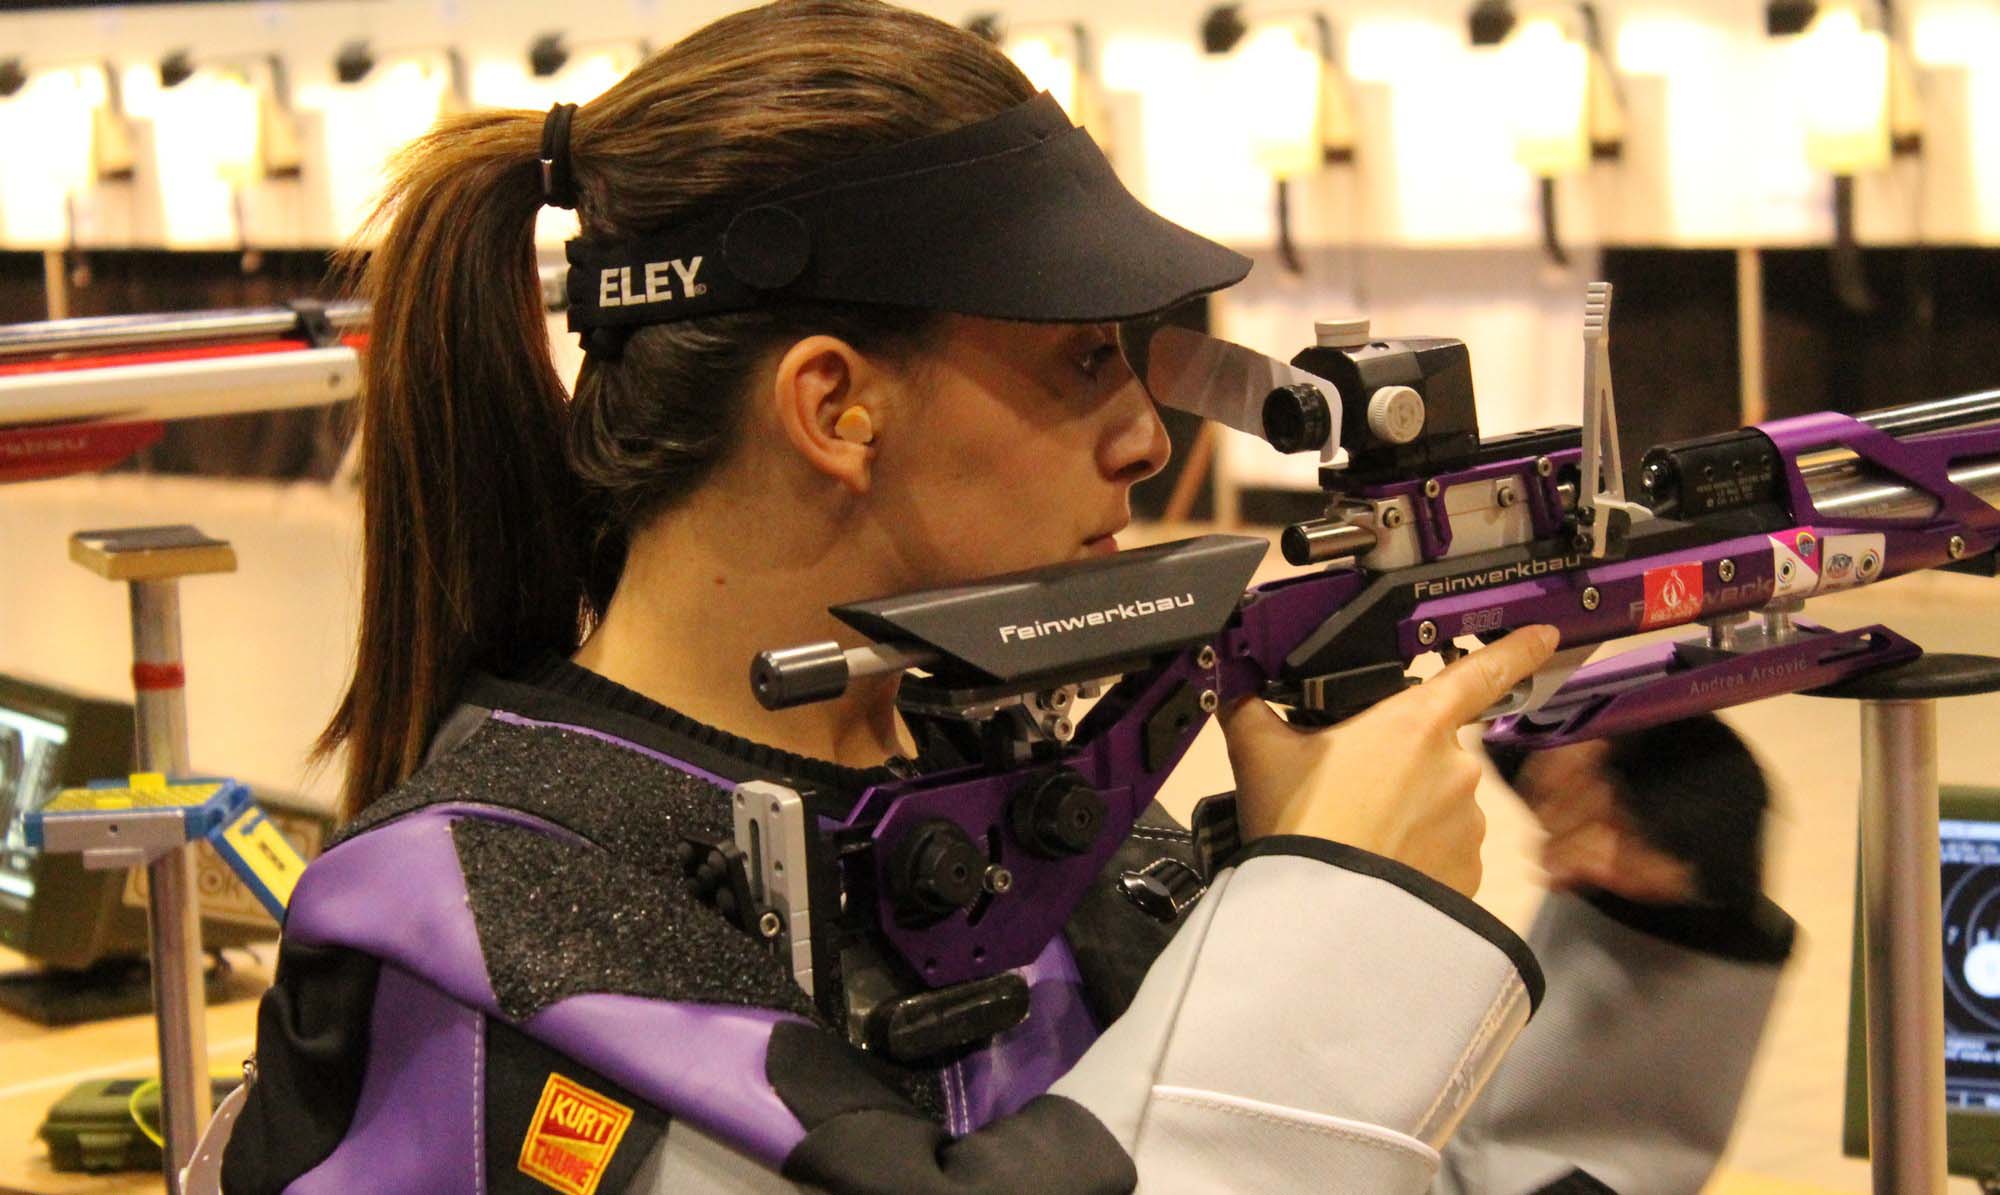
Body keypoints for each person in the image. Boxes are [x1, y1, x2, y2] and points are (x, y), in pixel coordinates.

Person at [206, 2, 1794, 1191]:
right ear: (837, 407)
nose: (1147, 435)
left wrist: (1653, 933)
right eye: (1083, 358)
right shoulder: (479, 940)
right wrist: (1325, 917)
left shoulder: (1033, 838)